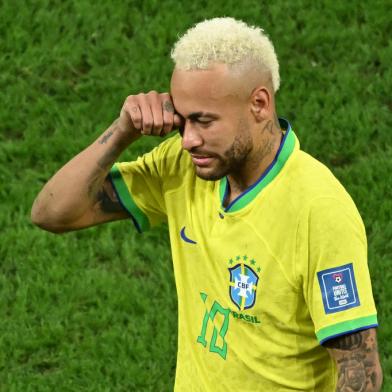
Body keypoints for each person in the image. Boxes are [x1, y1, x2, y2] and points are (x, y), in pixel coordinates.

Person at [31, 17, 382, 391]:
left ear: (259, 104)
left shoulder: (318, 209)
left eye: (204, 121)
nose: (188, 141)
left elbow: (359, 370)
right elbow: (52, 213)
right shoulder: (182, 167)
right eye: (183, 122)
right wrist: (122, 133)